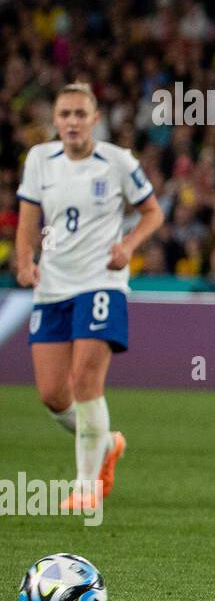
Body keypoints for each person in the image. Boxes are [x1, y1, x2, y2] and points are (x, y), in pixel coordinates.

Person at [15, 82, 164, 510]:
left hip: (102, 283)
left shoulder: (117, 162)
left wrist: (129, 246)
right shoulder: (40, 160)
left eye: (80, 114)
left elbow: (153, 211)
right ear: (55, 120)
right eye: (65, 115)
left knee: (84, 381)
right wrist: (25, 262)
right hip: (53, 286)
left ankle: (85, 488)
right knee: (52, 395)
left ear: (95, 119)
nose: (72, 122)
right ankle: (109, 443)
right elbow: (28, 220)